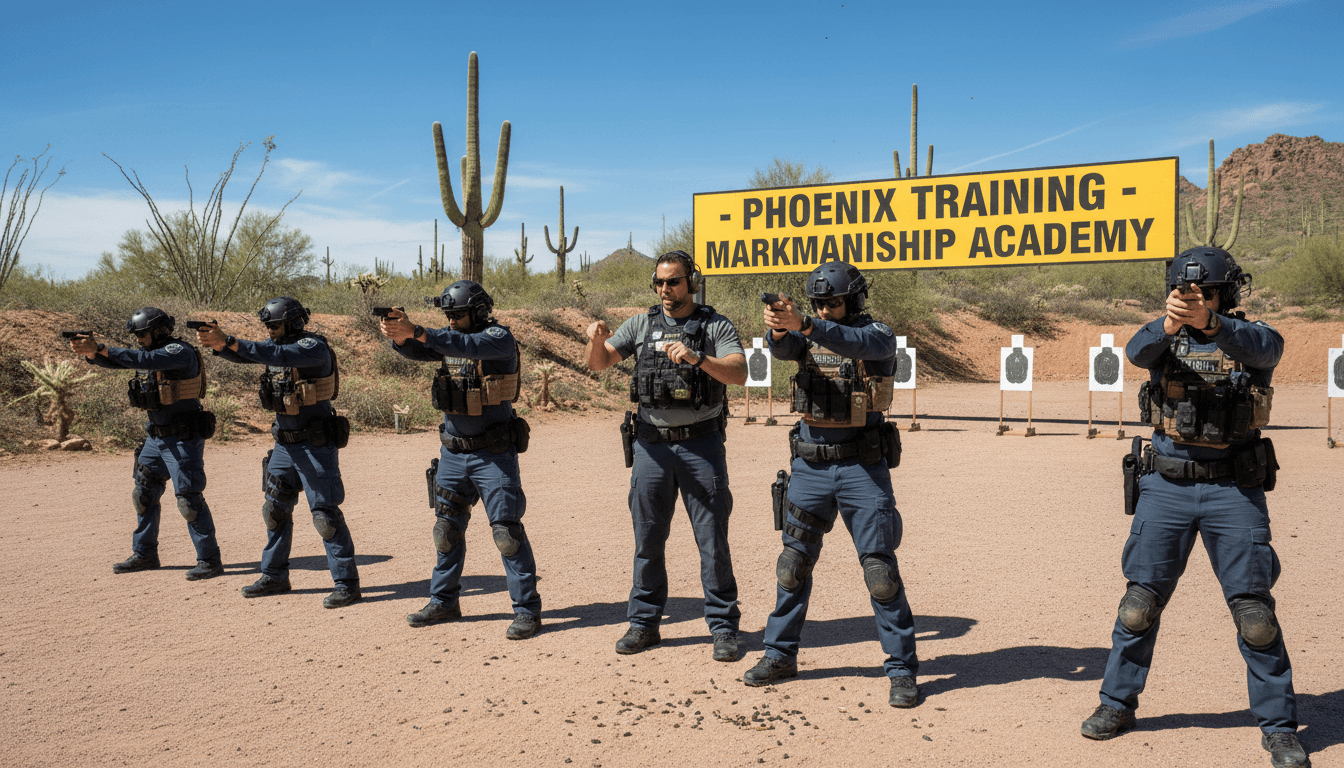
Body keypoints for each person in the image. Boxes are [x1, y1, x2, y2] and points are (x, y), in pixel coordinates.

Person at [1081, 247, 1306, 768]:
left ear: (1227, 292)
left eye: (1206, 291)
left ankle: (1278, 727)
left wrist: (1211, 323)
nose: (1194, 299)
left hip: (1233, 489)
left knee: (1255, 616)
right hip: (1167, 487)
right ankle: (1117, 704)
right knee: (1138, 606)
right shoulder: (1160, 337)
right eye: (1187, 291)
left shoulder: (1254, 337)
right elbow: (1137, 352)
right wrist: (1170, 322)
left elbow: (1265, 350)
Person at [744, 262, 919, 709]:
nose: (824, 308)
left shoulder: (875, 334)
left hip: (862, 467)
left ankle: (901, 670)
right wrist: (780, 331)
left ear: (854, 300)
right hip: (810, 467)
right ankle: (780, 655)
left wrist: (805, 322)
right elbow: (783, 350)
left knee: (880, 573)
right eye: (818, 303)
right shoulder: (810, 332)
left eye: (832, 302)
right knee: (792, 567)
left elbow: (852, 341)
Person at [585, 250, 747, 661]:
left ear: (690, 283)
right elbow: (599, 364)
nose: (665, 290)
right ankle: (644, 623)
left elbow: (738, 372)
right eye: (659, 282)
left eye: (673, 282)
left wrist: (698, 358)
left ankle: (724, 627)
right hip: (651, 447)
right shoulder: (641, 324)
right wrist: (594, 341)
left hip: (701, 445)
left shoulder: (714, 324)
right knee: (648, 538)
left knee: (712, 540)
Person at [379, 281, 541, 640]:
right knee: (446, 531)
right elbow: (419, 350)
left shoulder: (498, 338)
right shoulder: (449, 339)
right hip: (453, 453)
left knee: (506, 533)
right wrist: (401, 335)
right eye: (447, 316)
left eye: (457, 315)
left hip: (492, 455)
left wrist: (420, 331)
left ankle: (527, 610)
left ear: (479, 311)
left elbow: (461, 344)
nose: (451, 322)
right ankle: (444, 602)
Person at [197, 297, 361, 609]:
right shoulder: (279, 348)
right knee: (274, 511)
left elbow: (273, 352)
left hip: (314, 446)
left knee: (325, 517)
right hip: (284, 446)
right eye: (268, 326)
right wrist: (220, 345)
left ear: (294, 321)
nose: (270, 330)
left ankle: (347, 584)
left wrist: (229, 340)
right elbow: (256, 354)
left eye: (274, 324)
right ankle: (274, 575)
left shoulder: (312, 347)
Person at [71, 308, 223, 580]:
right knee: (143, 493)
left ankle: (210, 560)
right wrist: (92, 354)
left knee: (188, 499)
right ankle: (145, 553)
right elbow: (126, 361)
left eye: (142, 333)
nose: (138, 338)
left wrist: (102, 348)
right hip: (156, 437)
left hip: (182, 438)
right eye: (136, 334)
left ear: (159, 331)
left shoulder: (179, 351)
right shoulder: (150, 354)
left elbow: (146, 359)